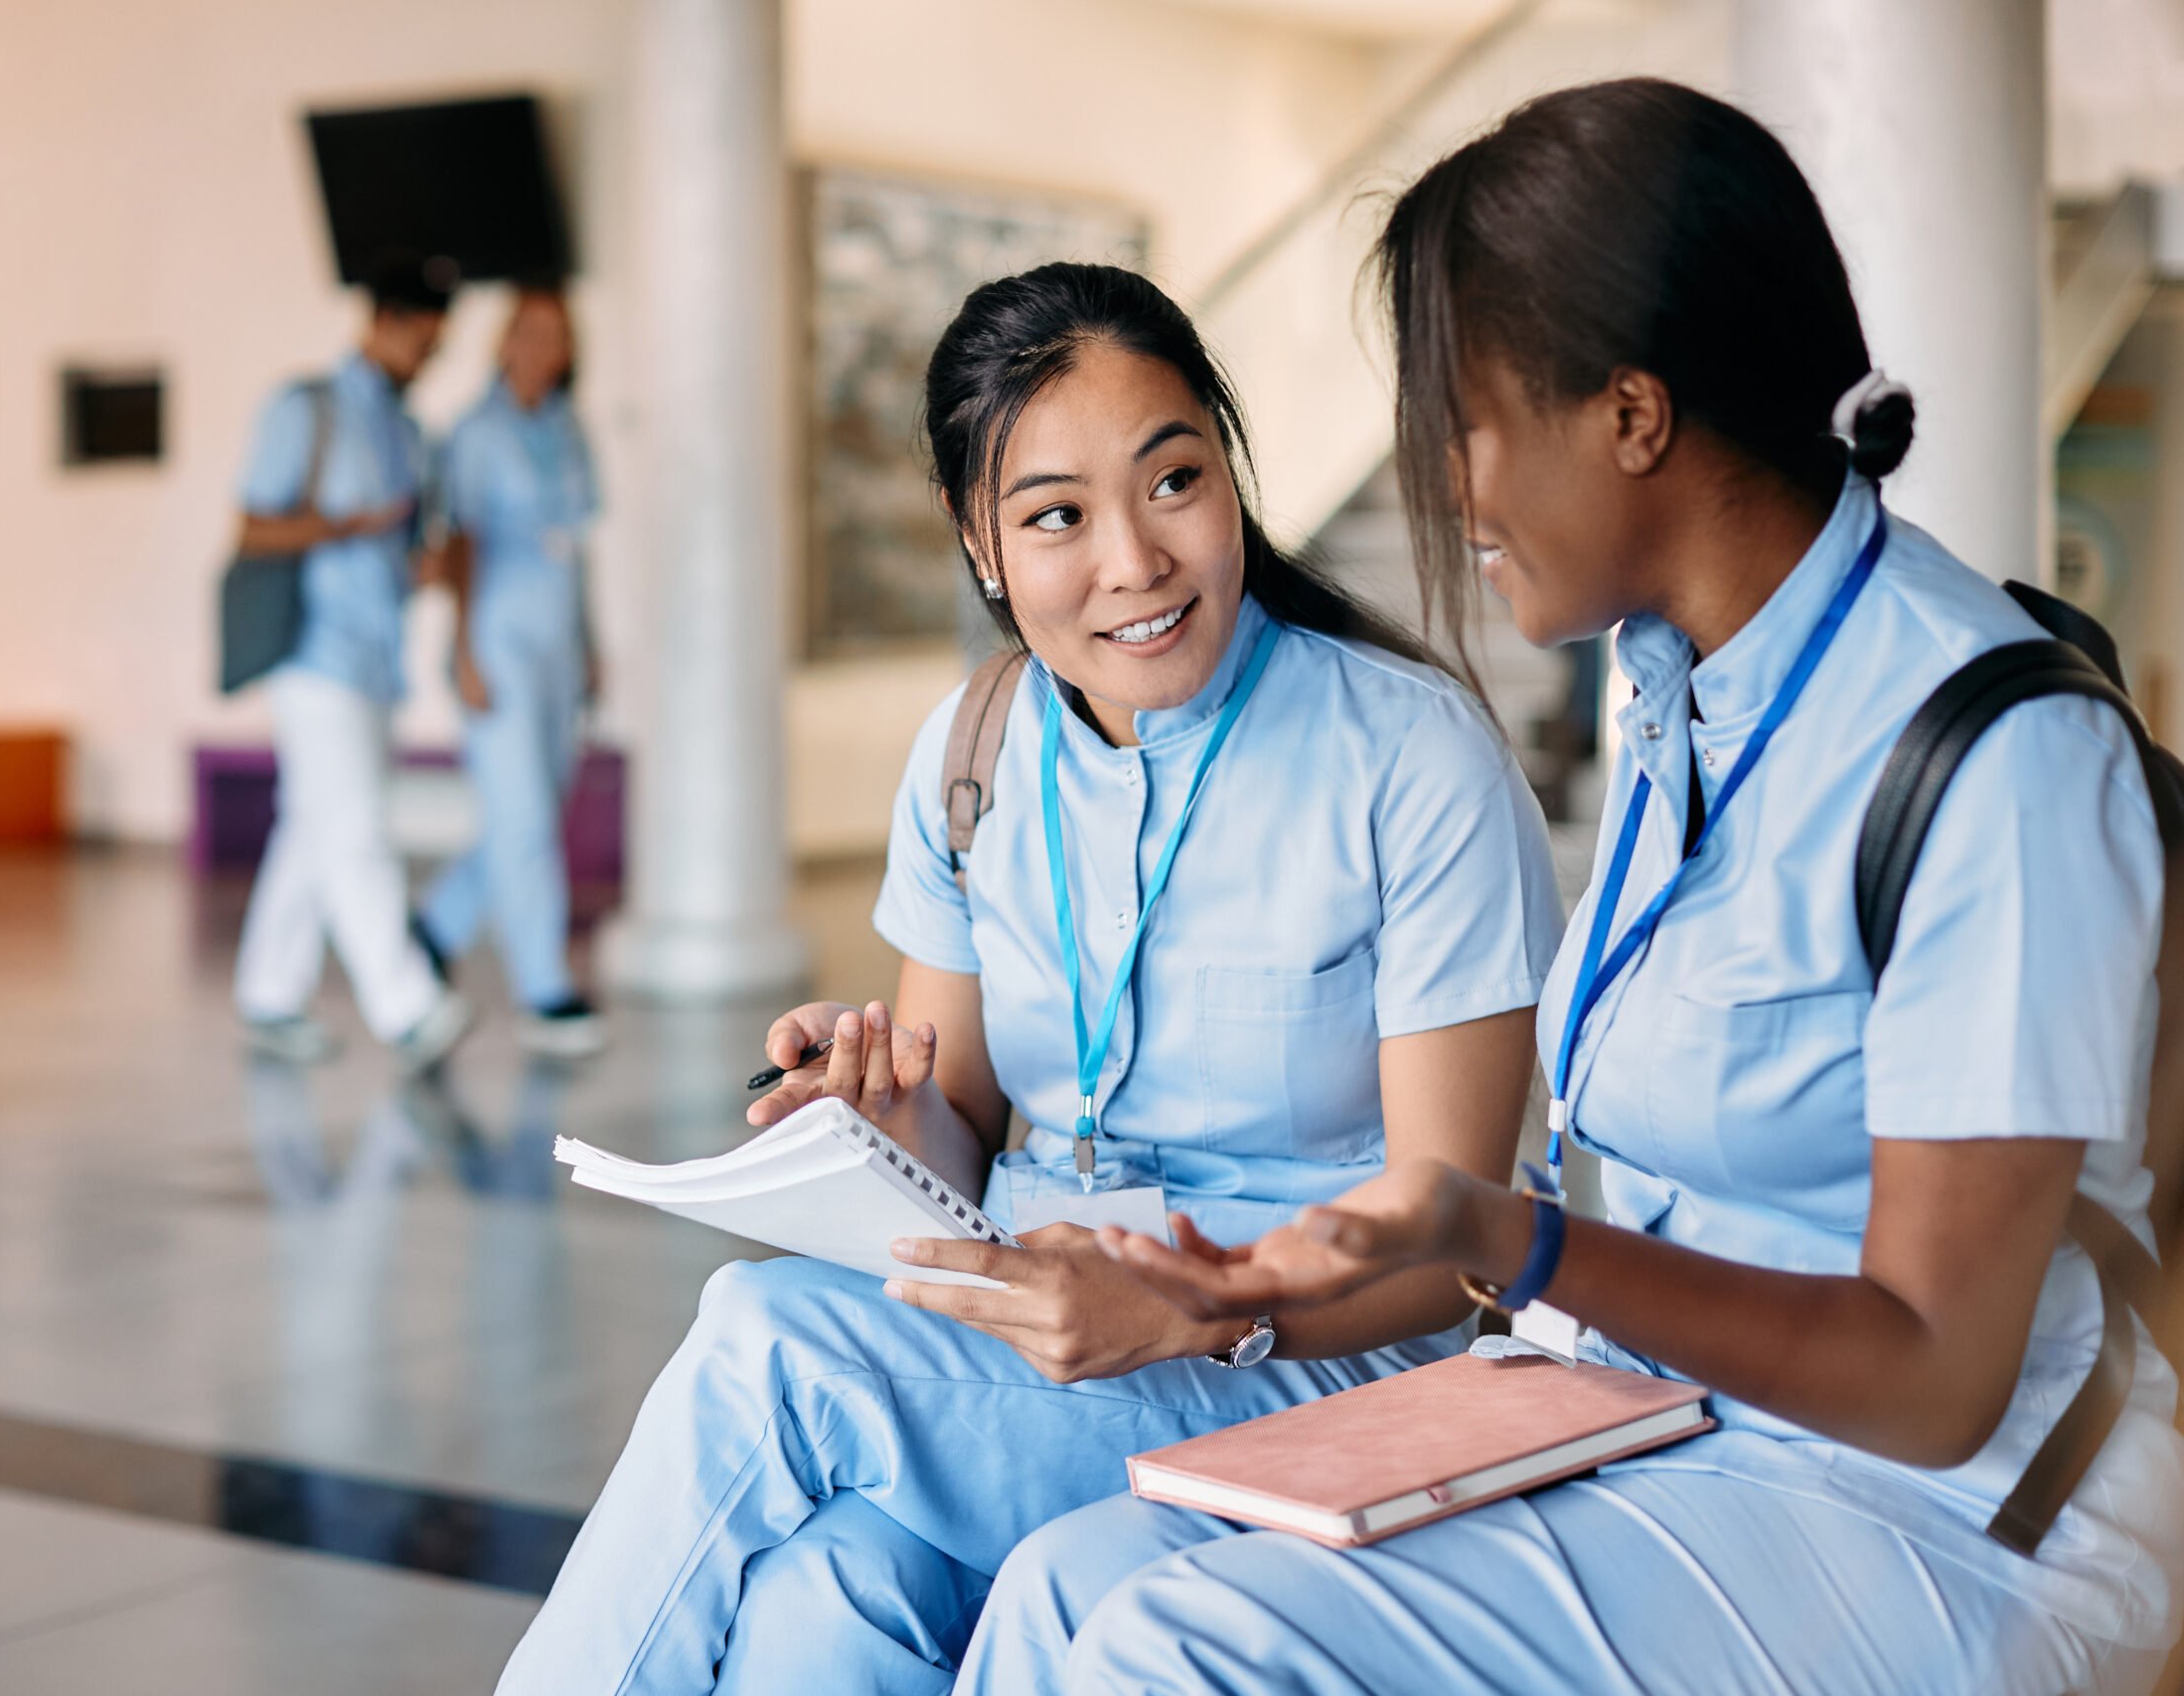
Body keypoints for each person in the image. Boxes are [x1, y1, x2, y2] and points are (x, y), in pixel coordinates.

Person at [961, 78, 2184, 1696]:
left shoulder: (1997, 749)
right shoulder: (1677, 691)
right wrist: (1236, 1298)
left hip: (1951, 1510)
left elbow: (1939, 1378)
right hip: (1664, 1416)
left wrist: (1516, 1242)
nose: (1443, 488)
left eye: (1458, 420)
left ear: (1630, 414)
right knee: (1070, 1582)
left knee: (1183, 1646)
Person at [494, 261, 1564, 1695]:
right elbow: (963, 1128)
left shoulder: (1411, 761)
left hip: (1304, 1356)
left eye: (1173, 480)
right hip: (1020, 1347)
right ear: (981, 545)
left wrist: (1203, 1307)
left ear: (1229, 472)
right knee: (825, 1601)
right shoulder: (972, 751)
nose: (1133, 558)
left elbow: (1455, 1254)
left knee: (770, 1345)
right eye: (1057, 515)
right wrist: (879, 1116)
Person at [232, 255, 475, 1072]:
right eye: (423, 342)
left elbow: (402, 555)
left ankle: (269, 992)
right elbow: (252, 528)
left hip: (376, 660)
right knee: (356, 827)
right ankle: (408, 1007)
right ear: (381, 322)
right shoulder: (306, 410)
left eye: (440, 348)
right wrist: (349, 526)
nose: (427, 361)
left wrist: (429, 566)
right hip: (310, 651)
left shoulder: (410, 435)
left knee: (314, 825)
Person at [415, 287, 606, 1056]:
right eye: (527, 331)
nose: (539, 345)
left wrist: (592, 643)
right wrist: (462, 651)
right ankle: (544, 987)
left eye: (554, 334)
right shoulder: (475, 433)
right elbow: (458, 543)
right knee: (523, 816)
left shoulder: (569, 430)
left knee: (533, 809)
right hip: (494, 643)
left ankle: (430, 929)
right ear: (504, 342)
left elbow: (577, 546)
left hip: (558, 645)